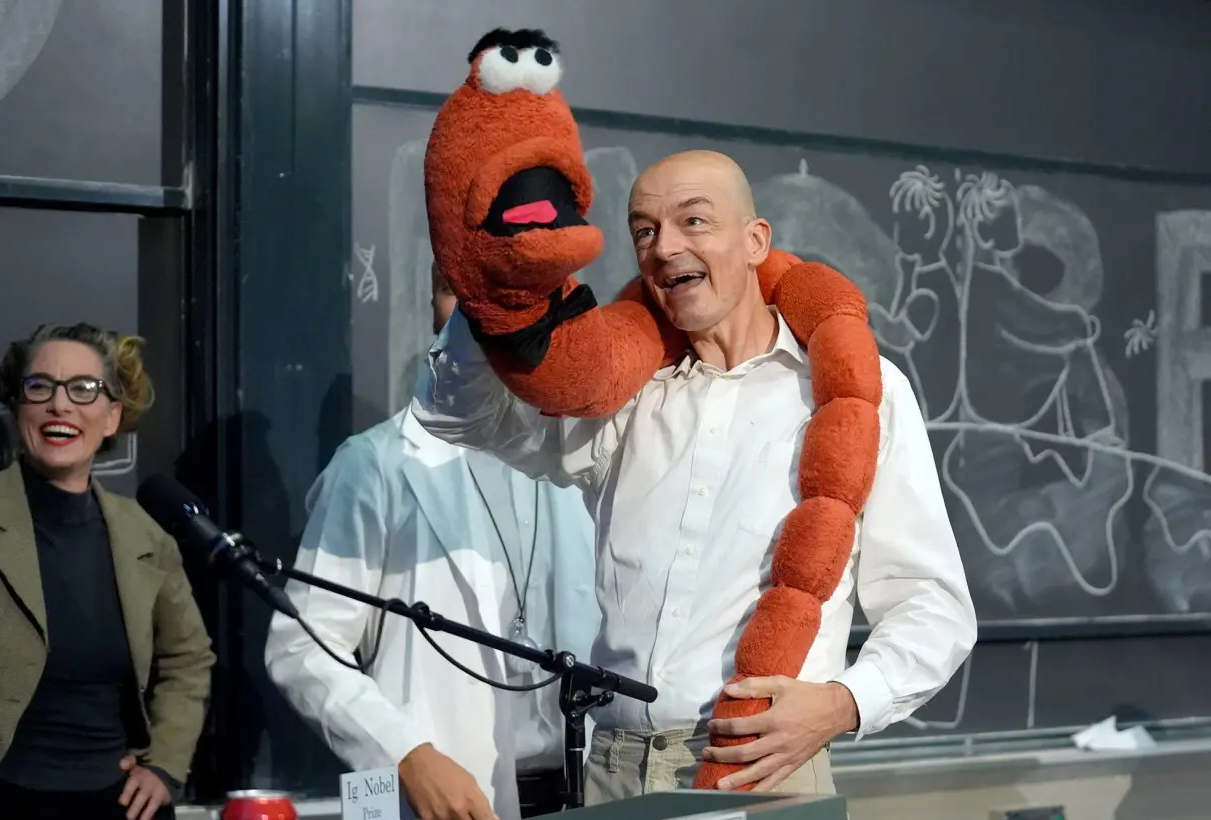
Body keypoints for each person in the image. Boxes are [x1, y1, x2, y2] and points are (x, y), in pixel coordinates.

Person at [414, 149, 977, 801]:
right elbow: (464, 421)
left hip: (766, 768)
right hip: (614, 772)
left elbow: (931, 604)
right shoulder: (622, 389)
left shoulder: (861, 392)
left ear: (755, 240)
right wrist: (478, 305)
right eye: (645, 232)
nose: (664, 247)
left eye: (694, 221)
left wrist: (843, 703)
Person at [264, 265, 600, 820]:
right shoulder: (376, 464)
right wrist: (407, 755)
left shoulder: (587, 454)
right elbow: (301, 646)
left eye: (517, 291)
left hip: (588, 789)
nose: (485, 309)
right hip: (448, 799)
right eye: (459, 289)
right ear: (434, 309)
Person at [0, 323, 216, 820]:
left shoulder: (146, 536)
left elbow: (188, 659)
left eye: (83, 389)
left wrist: (166, 765)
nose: (59, 405)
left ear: (112, 417)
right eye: (39, 386)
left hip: (118, 804)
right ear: (16, 406)